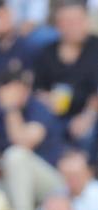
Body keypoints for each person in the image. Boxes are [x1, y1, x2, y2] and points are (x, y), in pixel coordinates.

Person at [0, 69, 66, 210]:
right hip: (13, 180)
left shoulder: (38, 108)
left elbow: (23, 143)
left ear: (22, 89)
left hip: (52, 182)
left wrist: (11, 109)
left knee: (16, 155)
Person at [32, 1, 98, 149]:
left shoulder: (95, 48)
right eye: (68, 22)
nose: (75, 26)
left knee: (87, 134)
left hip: (88, 115)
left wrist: (88, 116)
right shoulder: (47, 52)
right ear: (58, 25)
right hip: (53, 114)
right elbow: (37, 88)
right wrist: (47, 99)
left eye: (78, 20)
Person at [58, 146, 98, 210]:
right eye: (66, 175)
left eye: (75, 175)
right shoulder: (58, 194)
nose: (71, 179)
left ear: (89, 173)